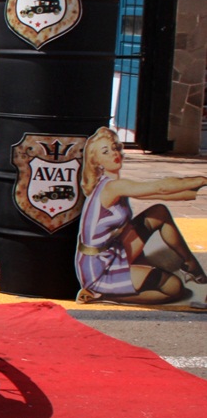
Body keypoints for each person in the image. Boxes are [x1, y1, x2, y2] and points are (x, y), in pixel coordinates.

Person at [73, 126, 207, 307]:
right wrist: (202, 180)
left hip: (111, 251)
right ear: (97, 162)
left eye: (114, 148)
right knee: (174, 288)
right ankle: (100, 295)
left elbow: (160, 194)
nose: (114, 153)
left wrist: (196, 191)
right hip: (97, 267)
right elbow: (161, 188)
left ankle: (191, 265)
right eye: (106, 152)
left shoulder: (114, 184)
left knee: (159, 211)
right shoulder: (113, 187)